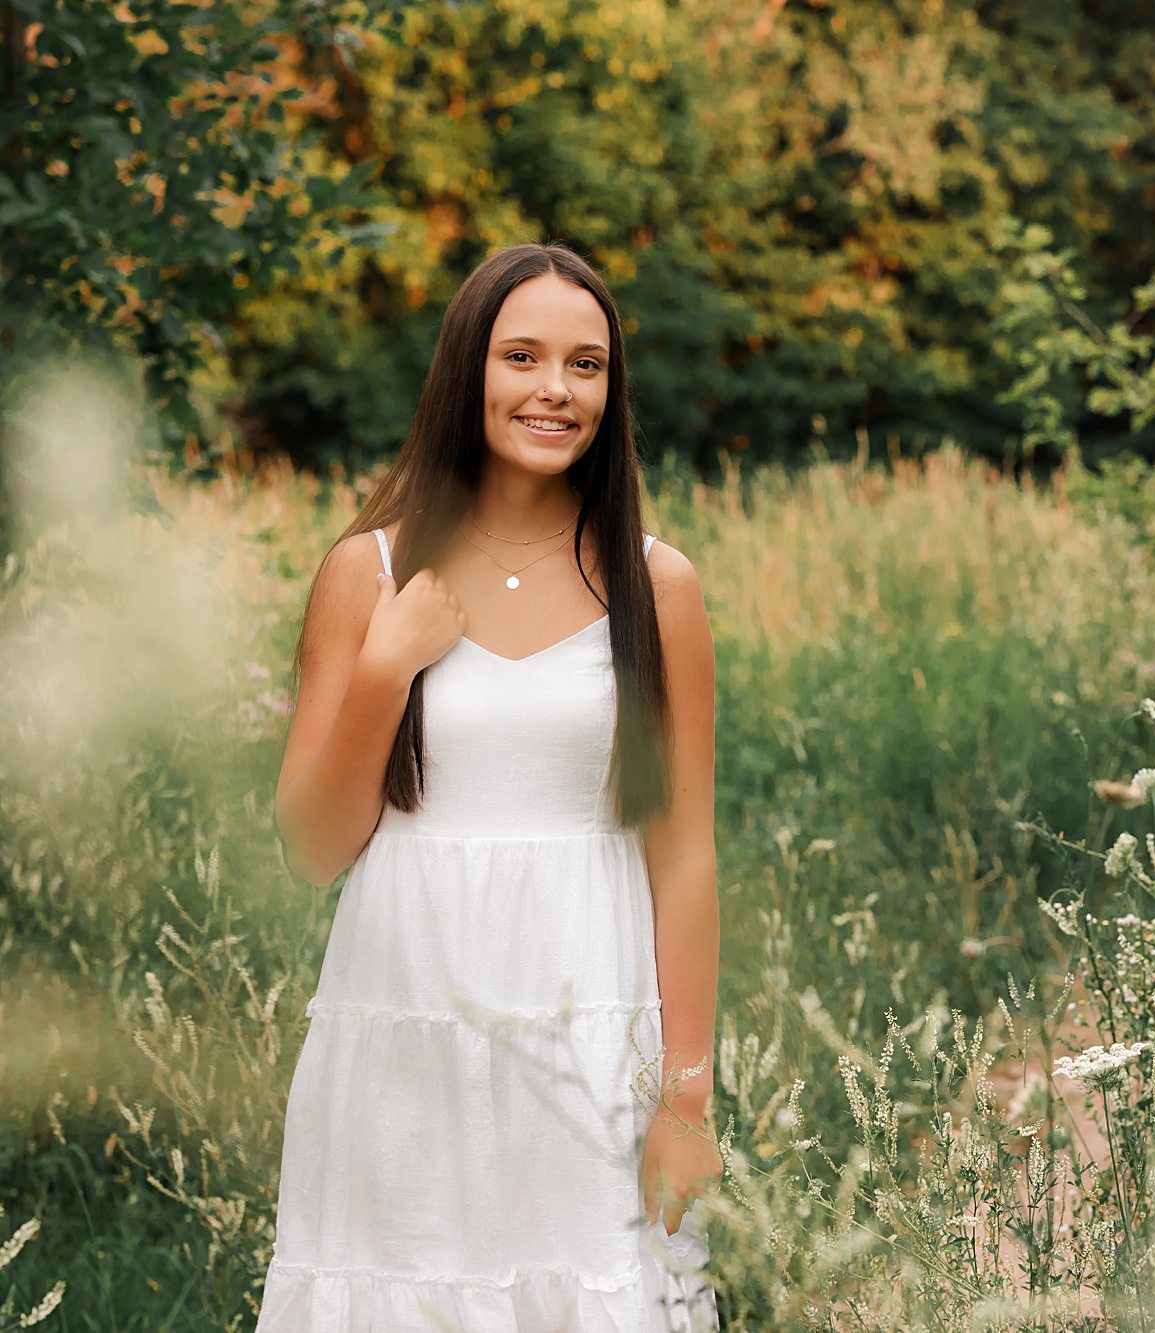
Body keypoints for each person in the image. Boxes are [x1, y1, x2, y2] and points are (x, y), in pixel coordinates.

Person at [260, 243, 720, 1330]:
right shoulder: (366, 575)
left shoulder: (657, 587)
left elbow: (684, 852)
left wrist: (686, 1093)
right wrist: (384, 667)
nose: (555, 389)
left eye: (586, 364)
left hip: (590, 1029)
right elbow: (314, 848)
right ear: (468, 369)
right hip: (404, 1029)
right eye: (522, 356)